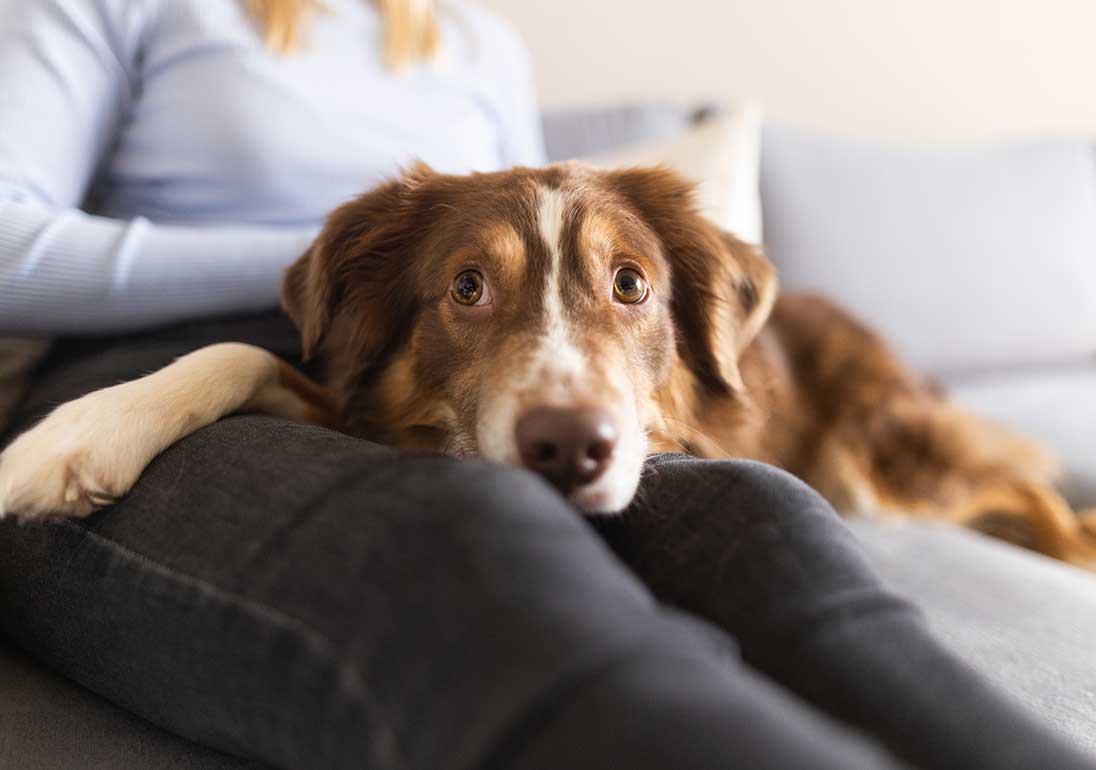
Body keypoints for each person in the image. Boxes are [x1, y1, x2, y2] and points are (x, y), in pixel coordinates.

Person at [0, 2, 1092, 768]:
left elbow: (541, 263)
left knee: (758, 508)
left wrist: (474, 279)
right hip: (156, 357)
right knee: (478, 539)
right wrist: (353, 250)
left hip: (376, 364)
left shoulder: (474, 41)